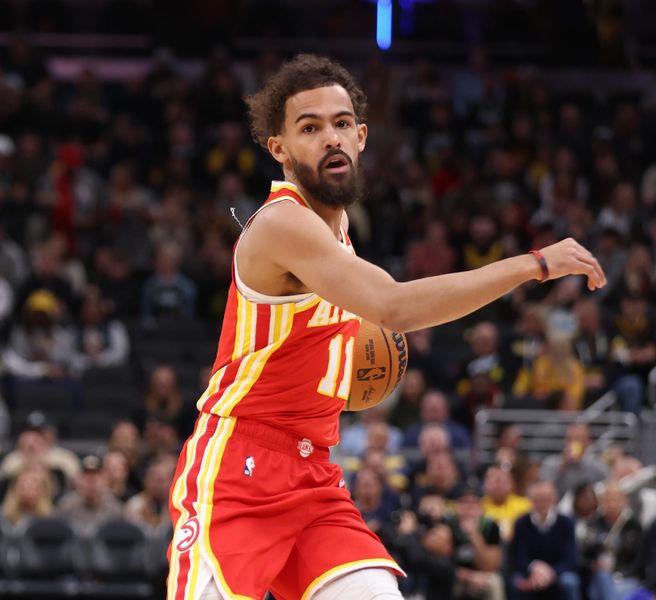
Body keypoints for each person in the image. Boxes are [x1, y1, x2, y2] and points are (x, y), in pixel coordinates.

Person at [167, 54, 606, 600]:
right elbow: (393, 307)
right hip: (240, 467)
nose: (331, 137)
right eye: (309, 127)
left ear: (362, 136)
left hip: (314, 474)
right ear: (277, 148)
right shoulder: (283, 223)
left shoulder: (338, 224)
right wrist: (531, 264)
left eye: (342, 122)